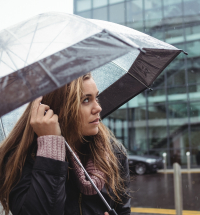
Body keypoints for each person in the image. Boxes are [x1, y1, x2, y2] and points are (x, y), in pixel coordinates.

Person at [0, 73, 131, 215]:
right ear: (56, 110)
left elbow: (123, 211)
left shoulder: (114, 153)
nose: (98, 108)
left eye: (96, 98)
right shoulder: (21, 158)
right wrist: (50, 148)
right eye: (86, 100)